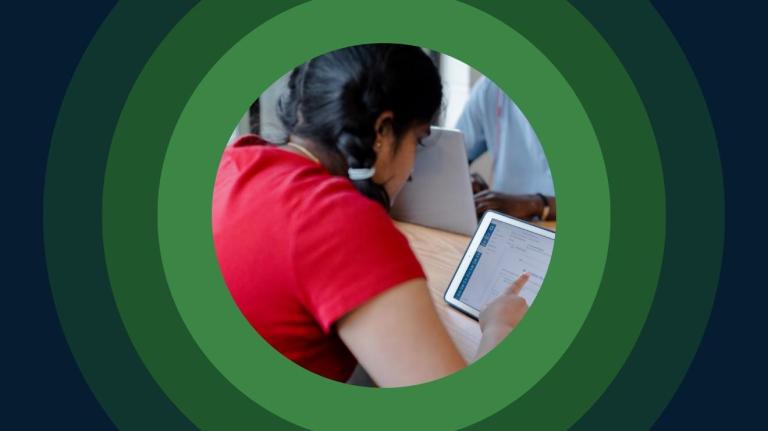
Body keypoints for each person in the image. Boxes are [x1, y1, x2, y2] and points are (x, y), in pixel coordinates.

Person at [213, 44, 530, 387]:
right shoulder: (340, 221)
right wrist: (500, 326)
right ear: (382, 131)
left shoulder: (235, 161)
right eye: (418, 141)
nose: (412, 165)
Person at [455, 77, 556, 221]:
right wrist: (464, 182)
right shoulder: (489, 88)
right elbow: (453, 157)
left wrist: (534, 205)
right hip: (503, 220)